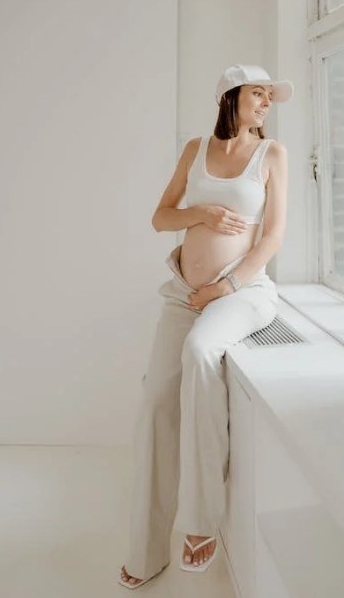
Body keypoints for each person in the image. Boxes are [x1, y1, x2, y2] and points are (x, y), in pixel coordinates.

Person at [118, 64, 292, 589]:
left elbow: (272, 238)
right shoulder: (196, 150)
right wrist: (202, 216)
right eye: (257, 94)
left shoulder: (272, 155)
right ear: (230, 98)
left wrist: (224, 288)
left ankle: (200, 521)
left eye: (269, 97)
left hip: (241, 293)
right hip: (182, 294)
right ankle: (146, 549)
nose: (266, 103)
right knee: (154, 404)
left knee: (198, 354)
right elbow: (160, 217)